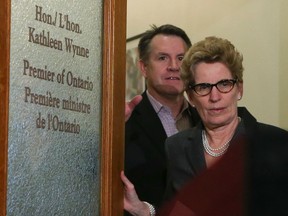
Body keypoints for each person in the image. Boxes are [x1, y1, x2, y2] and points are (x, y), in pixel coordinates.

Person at [122, 36, 288, 215]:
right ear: (191, 97)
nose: (215, 97)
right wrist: (145, 210)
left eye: (224, 84)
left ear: (239, 89)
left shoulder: (276, 143)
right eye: (203, 87)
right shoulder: (176, 147)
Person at [124, 24, 200, 215]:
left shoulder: (205, 121)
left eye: (181, 58)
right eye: (162, 58)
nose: (174, 66)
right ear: (143, 67)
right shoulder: (124, 123)